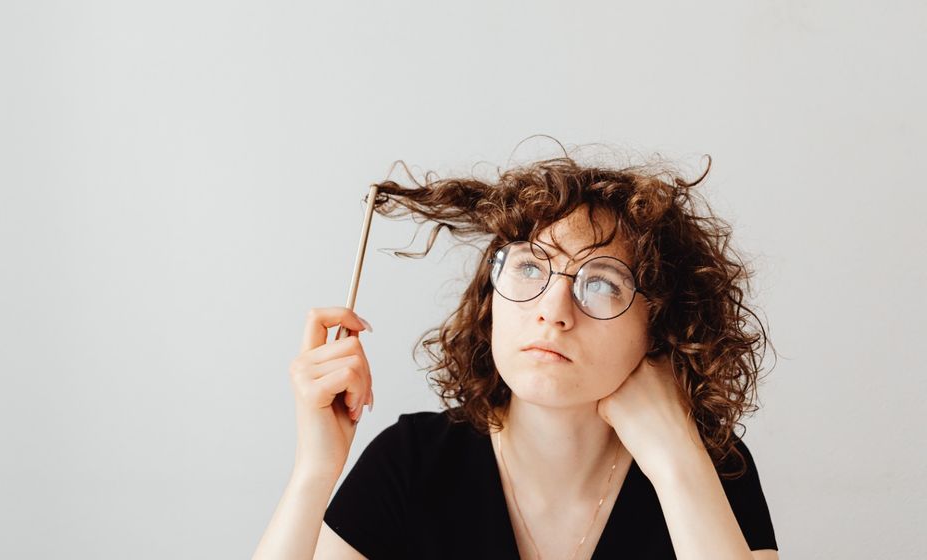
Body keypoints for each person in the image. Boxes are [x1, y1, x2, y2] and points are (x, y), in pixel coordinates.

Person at [252, 150, 780, 559]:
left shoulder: (711, 465)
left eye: (602, 284)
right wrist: (315, 470)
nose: (553, 311)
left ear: (661, 325)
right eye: (530, 267)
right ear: (490, 299)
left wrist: (674, 461)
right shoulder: (414, 462)